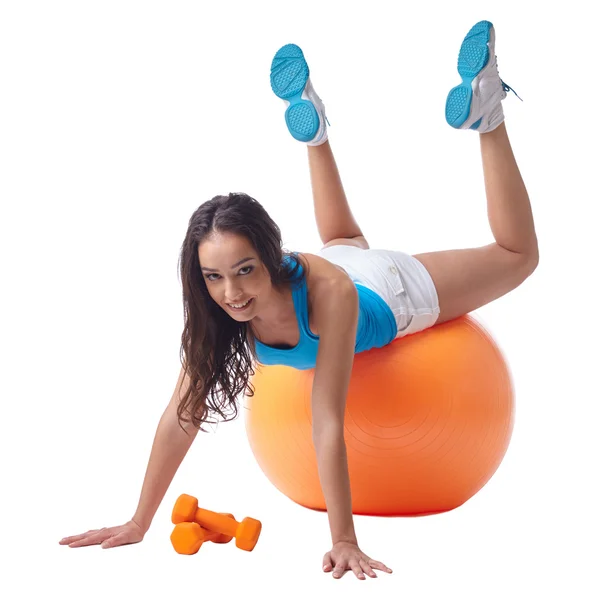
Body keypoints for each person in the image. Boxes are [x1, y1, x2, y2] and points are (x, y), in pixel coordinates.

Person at [59, 20, 538, 580]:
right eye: (213, 277)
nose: (232, 293)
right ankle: (314, 130)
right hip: (342, 262)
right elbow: (179, 416)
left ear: (272, 255)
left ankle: (488, 114)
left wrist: (344, 538)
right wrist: (139, 521)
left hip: (387, 291)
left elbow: (329, 419)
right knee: (341, 244)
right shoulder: (221, 311)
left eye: (244, 271)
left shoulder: (329, 291)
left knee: (517, 255)